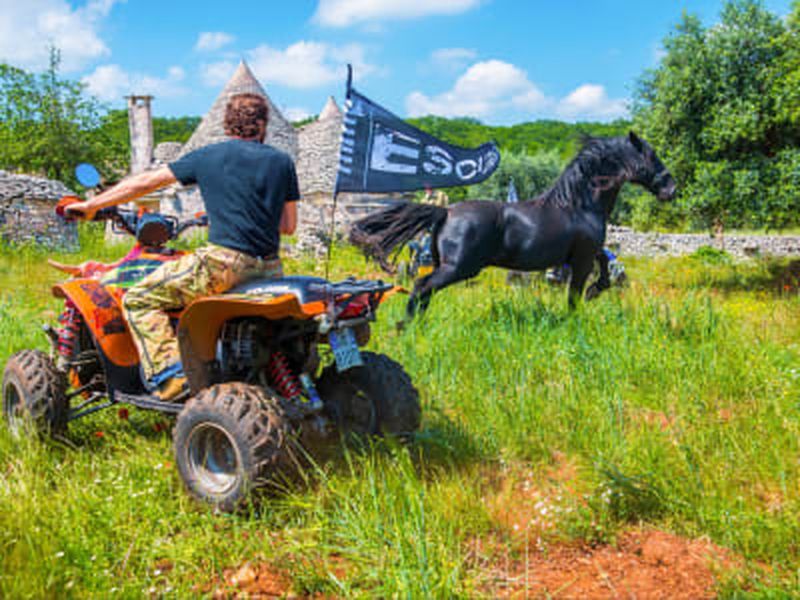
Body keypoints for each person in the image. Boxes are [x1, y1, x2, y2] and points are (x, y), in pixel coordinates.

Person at [66, 93, 299, 400]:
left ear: (227, 124)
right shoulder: (281, 162)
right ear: (263, 126)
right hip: (269, 270)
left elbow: (144, 184)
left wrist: (93, 204)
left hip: (223, 265)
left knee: (138, 298)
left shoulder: (208, 156)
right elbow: (288, 226)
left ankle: (173, 376)